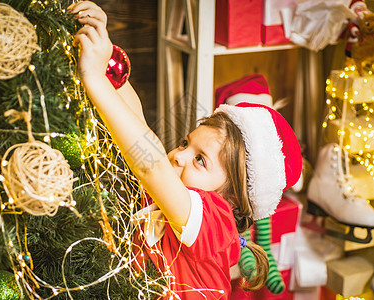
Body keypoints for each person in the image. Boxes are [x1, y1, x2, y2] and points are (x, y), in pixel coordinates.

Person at [69, 2, 302, 299]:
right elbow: (137, 120)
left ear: (230, 197)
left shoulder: (215, 219)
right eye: (184, 143)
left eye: (200, 160)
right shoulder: (174, 193)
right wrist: (105, 53)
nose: (178, 156)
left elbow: (150, 164)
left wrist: (93, 78)